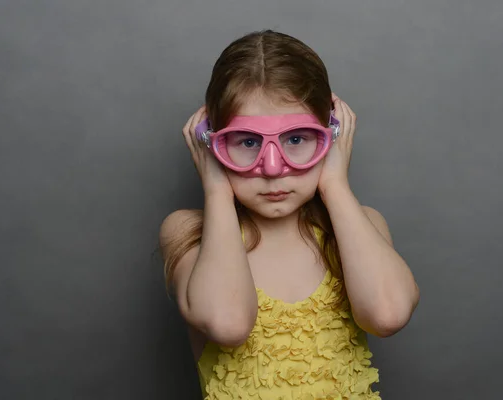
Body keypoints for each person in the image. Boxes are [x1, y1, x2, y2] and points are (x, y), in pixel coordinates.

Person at [159, 30, 420, 400]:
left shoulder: (361, 225)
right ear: (211, 141)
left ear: (331, 136)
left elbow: (388, 313)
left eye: (296, 139)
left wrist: (334, 184)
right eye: (247, 142)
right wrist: (216, 187)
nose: (272, 168)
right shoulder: (190, 233)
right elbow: (228, 323)